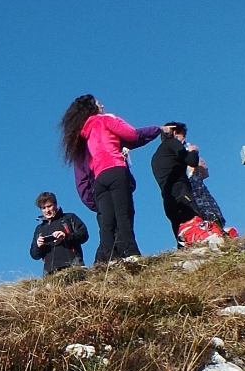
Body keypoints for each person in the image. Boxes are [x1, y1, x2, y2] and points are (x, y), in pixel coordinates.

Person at [59, 94, 159, 263]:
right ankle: (132, 253)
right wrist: (158, 129)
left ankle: (109, 258)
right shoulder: (104, 120)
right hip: (116, 171)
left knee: (106, 223)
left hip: (99, 181)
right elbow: (133, 135)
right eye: (99, 103)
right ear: (92, 108)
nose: (103, 105)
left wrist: (94, 203)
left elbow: (82, 182)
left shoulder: (83, 136)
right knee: (124, 215)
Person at [152, 121, 217, 246]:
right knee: (194, 221)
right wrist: (193, 151)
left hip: (168, 198)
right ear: (175, 133)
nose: (184, 141)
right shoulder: (172, 143)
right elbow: (192, 161)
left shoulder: (156, 156)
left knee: (180, 232)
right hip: (181, 193)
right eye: (183, 136)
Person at [29, 192, 88, 274]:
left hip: (73, 266)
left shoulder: (69, 218)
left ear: (55, 205)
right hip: (49, 272)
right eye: (43, 208)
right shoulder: (39, 229)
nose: (47, 210)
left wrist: (66, 236)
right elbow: (34, 255)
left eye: (49, 206)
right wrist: (39, 246)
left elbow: (84, 235)